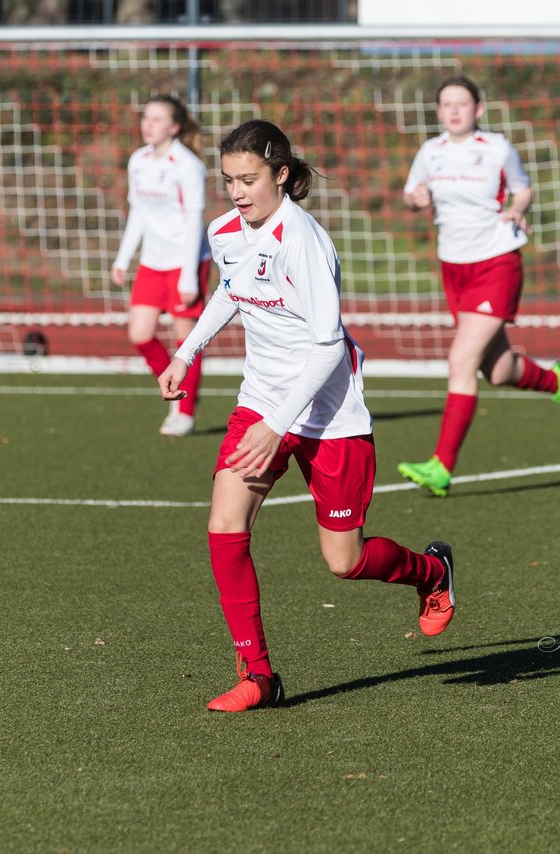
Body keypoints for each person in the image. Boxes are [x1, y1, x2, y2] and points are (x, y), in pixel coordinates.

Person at [158, 119, 456, 713]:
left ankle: (430, 572)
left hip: (329, 413)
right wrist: (187, 352)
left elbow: (327, 347)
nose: (238, 192)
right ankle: (259, 675)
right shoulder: (226, 230)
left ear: (282, 174)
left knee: (344, 561)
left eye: (249, 180)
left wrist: (280, 427)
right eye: (229, 181)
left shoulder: (306, 244)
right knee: (224, 526)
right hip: (262, 401)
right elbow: (231, 289)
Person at [396, 75, 560, 498]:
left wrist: (518, 210)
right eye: (446, 104)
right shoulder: (430, 152)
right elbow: (410, 193)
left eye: (462, 103)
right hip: (454, 266)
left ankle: (441, 465)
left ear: (478, 110)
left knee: (461, 359)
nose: (455, 110)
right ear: (439, 111)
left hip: (496, 261)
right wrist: (416, 198)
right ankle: (556, 380)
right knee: (496, 369)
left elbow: (523, 191)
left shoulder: (497, 148)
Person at [111, 95, 211, 437]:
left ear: (174, 126)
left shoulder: (187, 165)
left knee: (187, 341)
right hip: (152, 263)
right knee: (139, 333)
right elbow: (138, 212)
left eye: (156, 119)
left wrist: (188, 276)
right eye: (145, 118)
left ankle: (183, 410)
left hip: (186, 262)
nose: (147, 124)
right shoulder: (138, 161)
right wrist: (124, 257)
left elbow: (194, 219)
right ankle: (171, 383)